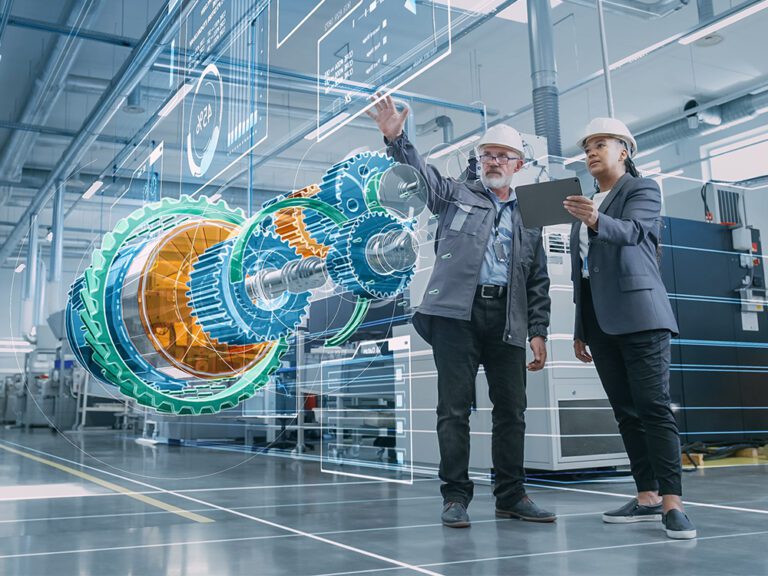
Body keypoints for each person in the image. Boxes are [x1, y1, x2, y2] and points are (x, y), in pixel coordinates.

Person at [367, 93, 554, 528]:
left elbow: (536, 279)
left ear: (518, 166)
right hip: (456, 317)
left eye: (504, 156)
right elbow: (422, 179)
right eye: (488, 154)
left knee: (512, 412)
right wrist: (397, 141)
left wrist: (538, 330)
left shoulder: (531, 214)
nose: (494, 161)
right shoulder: (454, 194)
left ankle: (512, 495)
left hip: (508, 319)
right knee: (454, 410)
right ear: (479, 160)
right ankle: (455, 497)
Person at [563, 117, 696, 540]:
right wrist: (580, 327)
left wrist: (596, 220)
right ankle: (647, 496)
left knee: (653, 405)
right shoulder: (583, 202)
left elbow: (637, 232)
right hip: (600, 323)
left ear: (624, 150)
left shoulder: (642, 190)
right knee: (625, 411)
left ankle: (673, 502)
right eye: (587, 147)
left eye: (600, 144)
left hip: (641, 316)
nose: (591, 152)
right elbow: (581, 272)